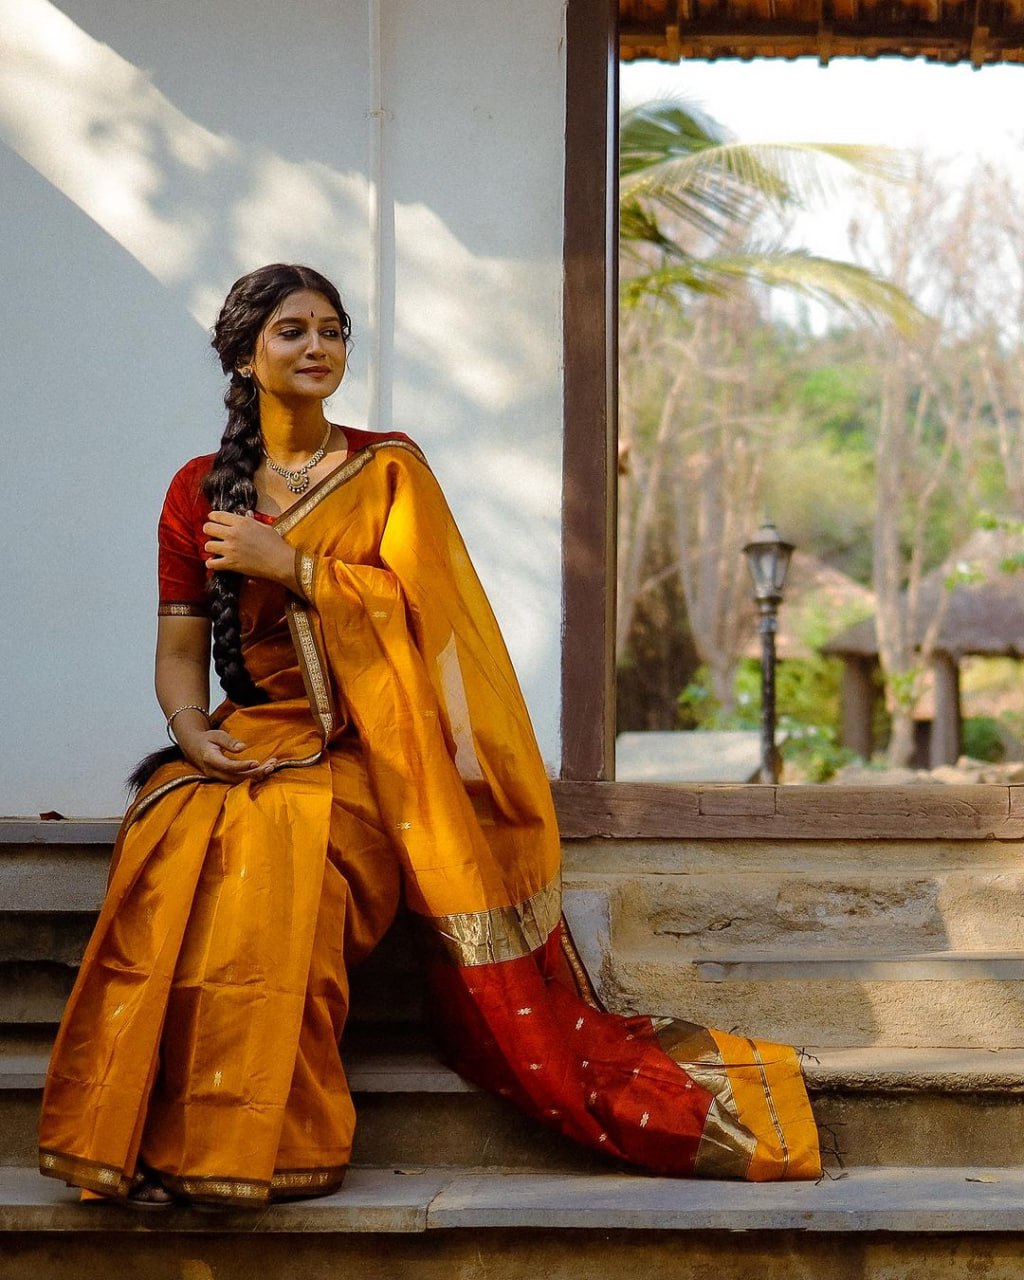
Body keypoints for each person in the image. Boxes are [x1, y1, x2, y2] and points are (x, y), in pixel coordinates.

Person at [38, 264, 820, 1209]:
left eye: (332, 330)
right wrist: (192, 732)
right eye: (292, 331)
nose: (318, 347)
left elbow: (431, 627)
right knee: (172, 840)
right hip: (246, 738)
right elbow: (178, 652)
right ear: (245, 355)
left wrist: (294, 565)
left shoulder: (391, 470)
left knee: (289, 856)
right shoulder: (198, 489)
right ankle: (150, 1134)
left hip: (372, 753)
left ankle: (262, 1140)